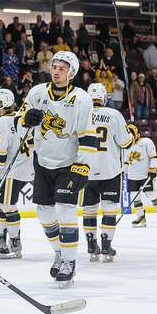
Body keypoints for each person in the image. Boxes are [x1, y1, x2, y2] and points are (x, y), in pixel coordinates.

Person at [21, 51, 96, 287]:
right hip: (42, 161)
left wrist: (82, 166)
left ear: (71, 73)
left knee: (65, 211)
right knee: (44, 212)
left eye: (62, 68)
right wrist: (25, 120)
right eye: (54, 66)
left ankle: (70, 261)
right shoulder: (37, 93)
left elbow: (87, 136)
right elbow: (20, 120)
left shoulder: (82, 99)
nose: (56, 71)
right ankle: (59, 253)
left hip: (68, 164)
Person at [81, 84, 134, 262]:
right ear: (104, 98)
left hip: (86, 169)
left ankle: (91, 244)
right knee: (109, 209)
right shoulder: (114, 115)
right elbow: (126, 143)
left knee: (89, 210)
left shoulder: (81, 114)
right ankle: (106, 244)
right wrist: (131, 133)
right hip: (110, 170)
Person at [0, 88, 34, 259]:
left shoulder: (0, 123)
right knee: (3, 203)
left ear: (2, 104)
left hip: (13, 170)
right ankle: (0, 239)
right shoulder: (22, 117)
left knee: (7, 206)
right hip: (27, 167)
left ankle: (14, 243)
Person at [124, 124, 157, 227]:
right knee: (135, 198)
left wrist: (152, 170)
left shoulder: (146, 142)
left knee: (152, 196)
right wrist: (123, 170)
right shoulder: (126, 146)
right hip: (132, 177)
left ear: (137, 134)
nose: (130, 136)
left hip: (145, 176)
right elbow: (126, 161)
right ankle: (141, 218)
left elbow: (154, 157)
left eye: (131, 133)